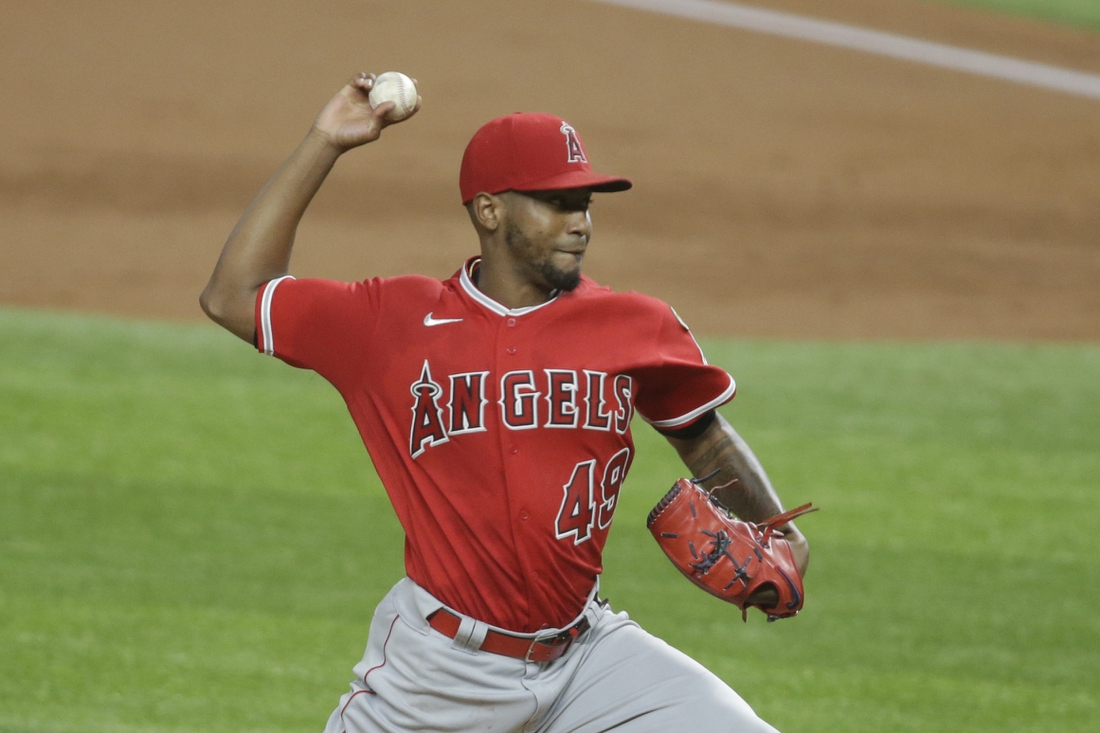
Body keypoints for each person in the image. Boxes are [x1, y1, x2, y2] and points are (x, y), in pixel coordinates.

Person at [200, 72, 809, 733]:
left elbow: (701, 432)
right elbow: (233, 294)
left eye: (585, 203)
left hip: (587, 657)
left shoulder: (637, 325)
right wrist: (326, 142)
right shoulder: (390, 321)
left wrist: (779, 529)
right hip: (438, 673)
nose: (580, 222)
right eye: (556, 202)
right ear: (489, 211)